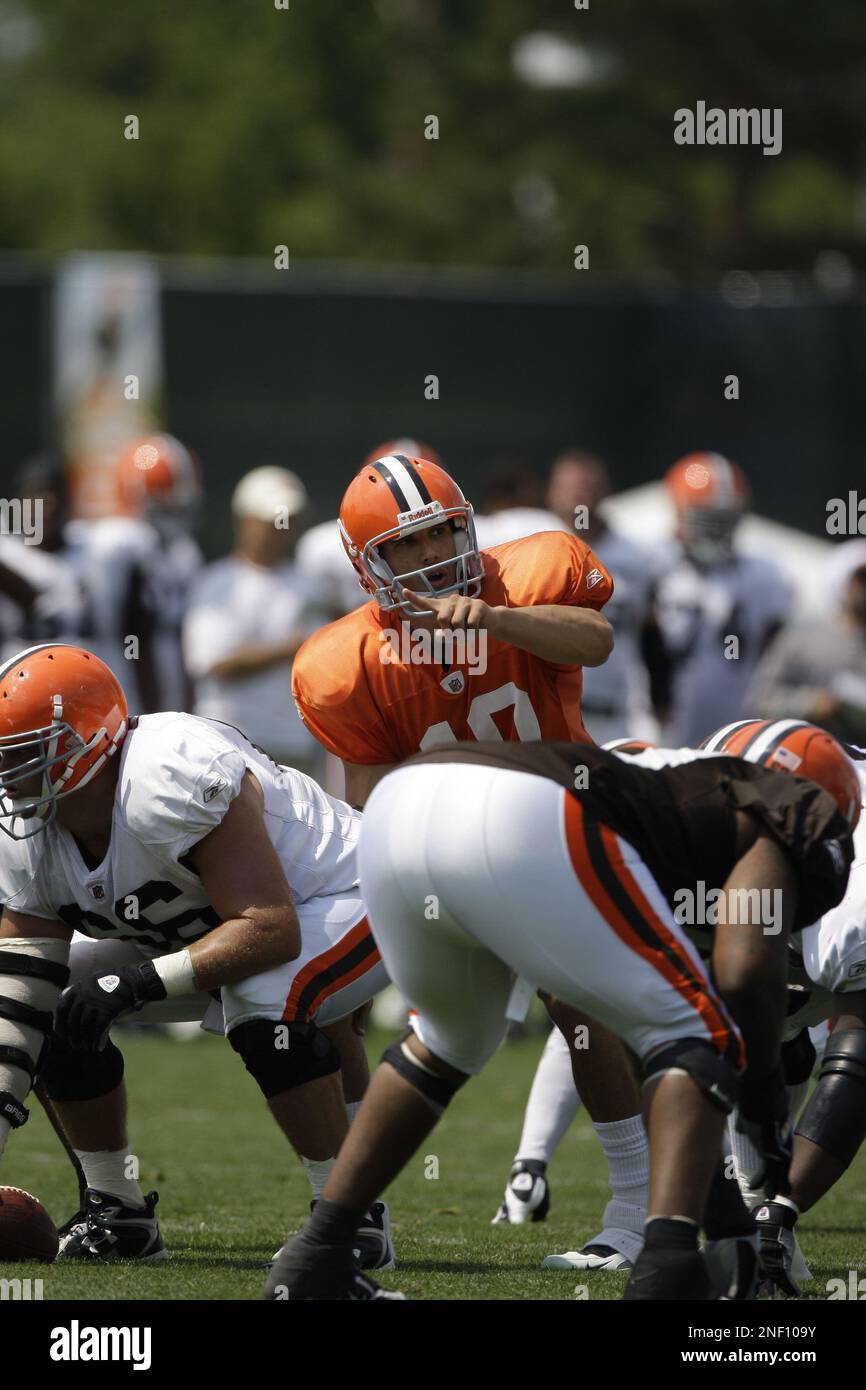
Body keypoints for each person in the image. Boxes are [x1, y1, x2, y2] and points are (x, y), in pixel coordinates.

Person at [263, 722, 858, 1300]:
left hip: (402, 805)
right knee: (692, 1031)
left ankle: (316, 1256)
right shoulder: (794, 807)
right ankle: (667, 1269)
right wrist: (761, 1105)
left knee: (447, 1042)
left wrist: (728, 1221)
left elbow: (643, 1038)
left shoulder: (655, 772)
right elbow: (746, 975)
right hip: (525, 815)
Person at [292, 448, 660, 1268]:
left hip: (563, 823)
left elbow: (594, 640)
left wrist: (492, 620)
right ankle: (347, 1219)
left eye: (444, 534)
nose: (432, 558)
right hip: (449, 860)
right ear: (366, 566)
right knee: (415, 1031)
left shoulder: (527, 572)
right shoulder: (342, 662)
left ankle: (641, 1214)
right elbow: (370, 801)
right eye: (407, 547)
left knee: (587, 1008)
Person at [0, 644, 391, 1265]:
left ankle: (347, 1221)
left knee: (263, 999)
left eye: (28, 757)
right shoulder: (27, 833)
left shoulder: (167, 774)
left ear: (88, 741)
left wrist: (133, 984)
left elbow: (269, 929)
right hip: (214, 929)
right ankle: (116, 1212)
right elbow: (21, 990)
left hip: (354, 890)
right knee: (60, 1003)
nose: (14, 779)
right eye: (5, 761)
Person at [183, 466, 321, 775]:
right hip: (229, 745)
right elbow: (216, 662)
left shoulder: (310, 584)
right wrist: (296, 646)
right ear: (245, 520)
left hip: (295, 746)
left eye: (289, 519)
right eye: (272, 519)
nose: (283, 527)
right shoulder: (216, 584)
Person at [651, 453, 793, 745]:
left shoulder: (763, 575)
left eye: (725, 518)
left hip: (739, 722)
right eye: (706, 517)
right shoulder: (653, 564)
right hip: (657, 724)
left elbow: (775, 648)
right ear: (679, 511)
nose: (716, 528)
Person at [749, 559, 866, 746]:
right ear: (847, 584)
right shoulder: (803, 636)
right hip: (788, 754)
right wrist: (808, 703)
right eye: (863, 580)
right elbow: (759, 699)